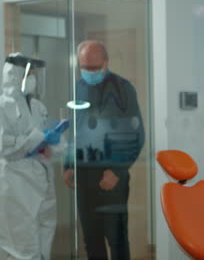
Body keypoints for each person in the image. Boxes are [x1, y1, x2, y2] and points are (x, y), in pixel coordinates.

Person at [63, 40, 145, 260]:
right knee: (91, 239)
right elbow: (75, 129)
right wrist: (69, 165)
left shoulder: (122, 88)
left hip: (112, 177)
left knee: (117, 238)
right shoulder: (78, 87)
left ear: (106, 62)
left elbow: (136, 136)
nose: (88, 72)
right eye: (84, 67)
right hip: (84, 175)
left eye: (94, 67)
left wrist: (117, 171)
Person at [0, 53, 64, 259]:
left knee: (44, 236)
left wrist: (55, 141)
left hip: (42, 179)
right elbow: (4, 147)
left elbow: (48, 142)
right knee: (20, 244)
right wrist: (37, 139)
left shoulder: (38, 106)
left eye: (35, 74)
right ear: (15, 75)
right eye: (30, 74)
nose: (33, 79)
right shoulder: (3, 107)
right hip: (16, 183)